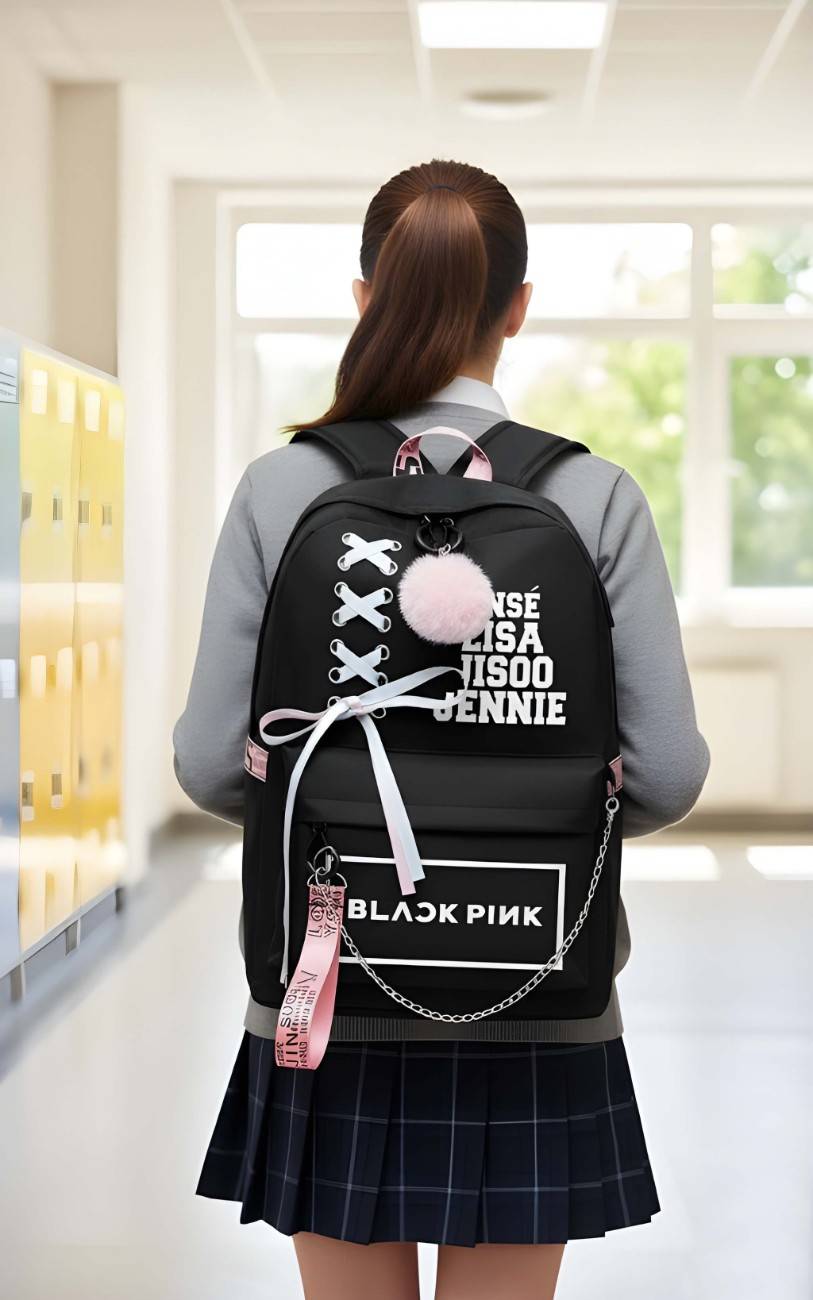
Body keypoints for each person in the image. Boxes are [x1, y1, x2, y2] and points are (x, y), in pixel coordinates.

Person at [173, 159, 710, 1300]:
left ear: (365, 297)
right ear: (518, 307)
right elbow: (666, 772)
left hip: (331, 979)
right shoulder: (594, 495)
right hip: (535, 980)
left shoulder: (282, 488)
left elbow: (212, 761)